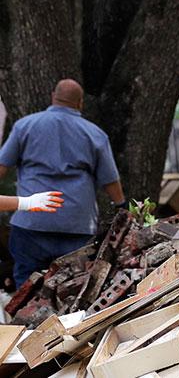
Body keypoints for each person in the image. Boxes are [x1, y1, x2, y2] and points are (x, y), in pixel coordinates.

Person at [0, 79, 125, 286]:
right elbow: (110, 181)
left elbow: (2, 167)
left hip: (31, 225)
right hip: (77, 226)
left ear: (53, 96)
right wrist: (121, 206)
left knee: (26, 287)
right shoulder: (94, 134)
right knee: (75, 286)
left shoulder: (25, 126)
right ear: (80, 103)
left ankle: (26, 318)